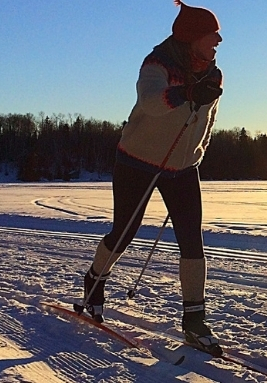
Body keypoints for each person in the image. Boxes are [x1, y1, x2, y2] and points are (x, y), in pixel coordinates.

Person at [76, 1, 224, 353]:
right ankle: (95, 280)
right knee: (125, 231)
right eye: (211, 35)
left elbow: (207, 121)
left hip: (183, 168)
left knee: (192, 239)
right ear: (191, 38)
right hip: (137, 161)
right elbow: (151, 102)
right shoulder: (157, 64)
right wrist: (187, 93)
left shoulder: (213, 73)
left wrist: (195, 154)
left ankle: (194, 320)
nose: (218, 41)